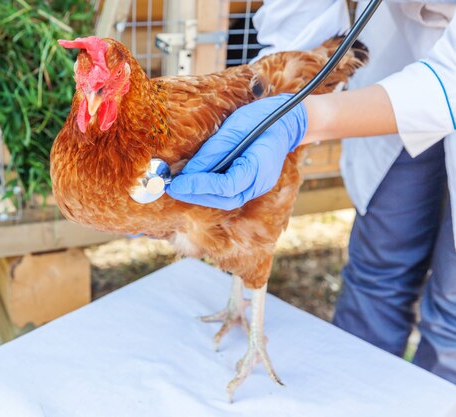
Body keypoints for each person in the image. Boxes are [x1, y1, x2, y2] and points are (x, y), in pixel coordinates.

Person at [167, 1, 456, 384]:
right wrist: (277, 92)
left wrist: (302, 119)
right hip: (401, 46)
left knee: (453, 311)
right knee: (378, 269)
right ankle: (350, 397)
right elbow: (299, 12)